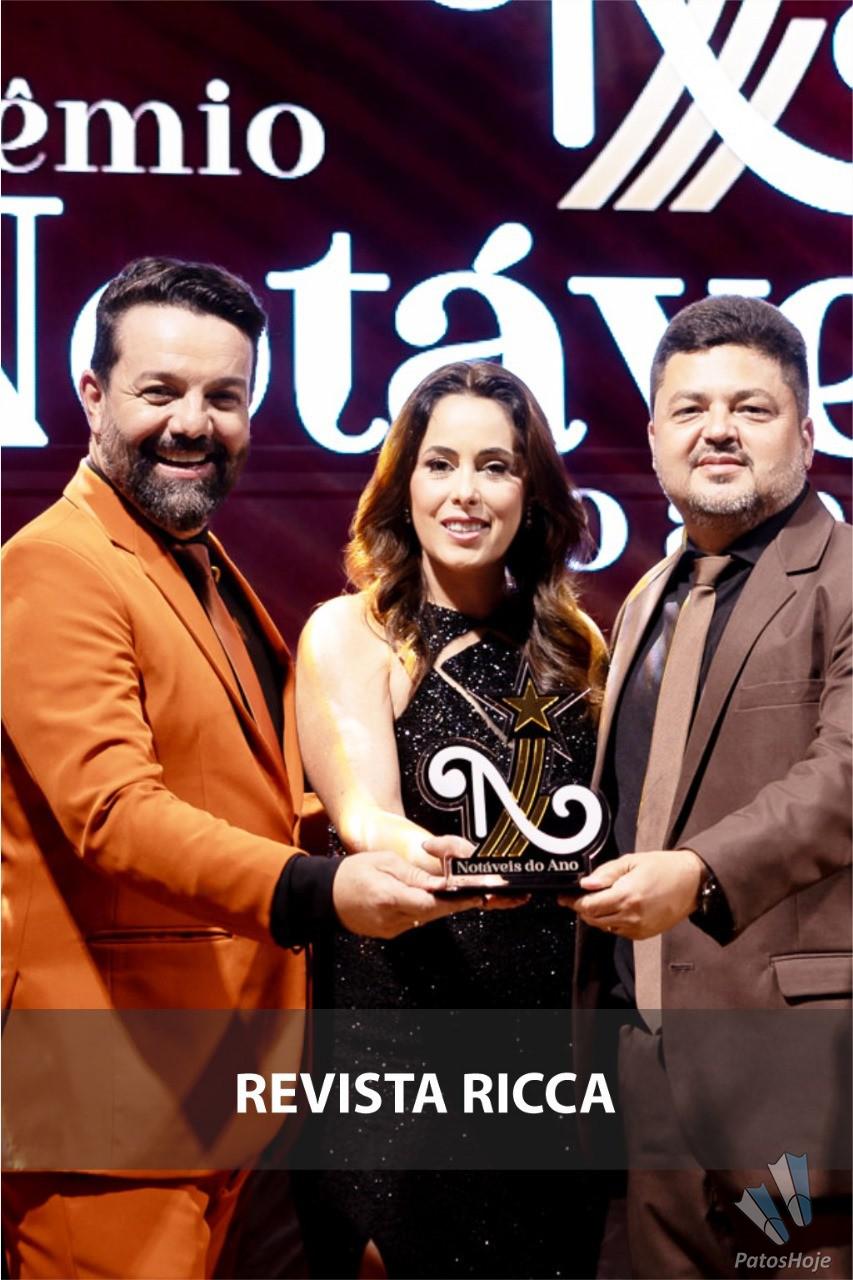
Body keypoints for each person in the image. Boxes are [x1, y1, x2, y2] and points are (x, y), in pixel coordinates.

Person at [1, 257, 483, 1280]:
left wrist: (386, 833)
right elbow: (111, 812)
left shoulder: (196, 561)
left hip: (225, 1092)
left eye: (223, 396)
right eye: (160, 391)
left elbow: (240, 792)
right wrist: (318, 887)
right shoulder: (54, 565)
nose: (193, 422)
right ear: (92, 395)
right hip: (113, 1105)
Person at [292, 360, 609, 1279]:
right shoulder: (355, 631)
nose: (464, 492)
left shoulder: (576, 645)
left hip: (549, 1070)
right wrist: (438, 859)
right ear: (404, 485)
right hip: (402, 1053)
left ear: (531, 494)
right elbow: (363, 815)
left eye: (494, 467)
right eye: (439, 464)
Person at [568, 295, 852, 1278]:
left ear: (806, 434)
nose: (717, 430)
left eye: (750, 408)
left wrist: (695, 874)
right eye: (688, 409)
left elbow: (844, 774)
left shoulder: (845, 576)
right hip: (645, 1054)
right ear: (653, 439)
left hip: (797, 1059)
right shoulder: (648, 595)